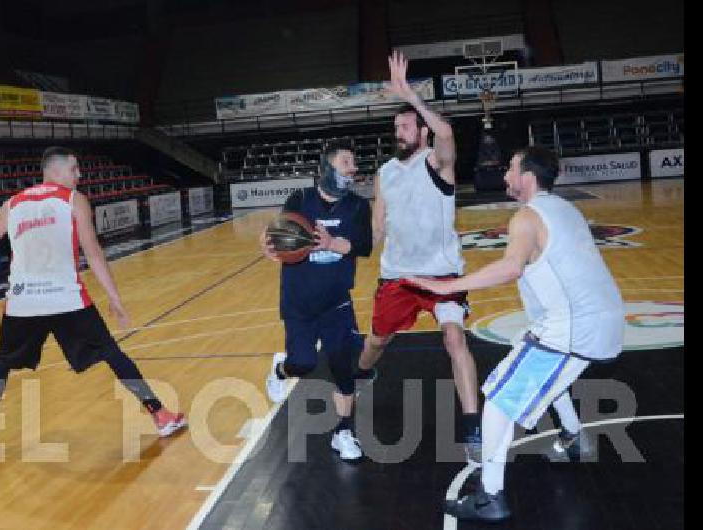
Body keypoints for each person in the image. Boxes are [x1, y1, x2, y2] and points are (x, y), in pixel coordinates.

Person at [406, 146, 625, 522]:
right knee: (532, 357)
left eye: (510, 166)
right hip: (604, 320)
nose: (504, 171)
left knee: (498, 397)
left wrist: (446, 287)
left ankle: (490, 496)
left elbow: (511, 268)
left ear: (527, 176)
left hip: (575, 328)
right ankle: (572, 438)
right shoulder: (566, 209)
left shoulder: (527, 217)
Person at [0, 146, 186, 457]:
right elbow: (93, 252)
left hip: (23, 301)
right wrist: (114, 298)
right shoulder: (73, 200)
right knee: (111, 353)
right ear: (55, 172)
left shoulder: (12, 204)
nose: (79, 175)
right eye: (74, 170)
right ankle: (160, 415)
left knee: (1, 362)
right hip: (66, 298)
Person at [354, 51, 482, 463]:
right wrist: (346, 248)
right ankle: (358, 376)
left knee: (454, 338)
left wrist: (412, 95)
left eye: (406, 125)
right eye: (396, 126)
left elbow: (447, 136)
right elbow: (377, 227)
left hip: (443, 275)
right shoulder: (386, 173)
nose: (400, 130)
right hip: (398, 275)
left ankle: (472, 424)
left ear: (422, 131)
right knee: (377, 341)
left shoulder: (438, 165)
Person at [261, 139, 372, 462]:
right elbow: (277, 235)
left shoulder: (357, 206)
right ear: (327, 168)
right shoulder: (299, 199)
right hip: (299, 303)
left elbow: (364, 246)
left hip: (336, 303)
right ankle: (282, 370)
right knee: (305, 363)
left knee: (343, 368)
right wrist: (269, 245)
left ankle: (344, 432)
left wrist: (334, 243)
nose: (353, 169)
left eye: (353, 163)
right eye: (346, 163)